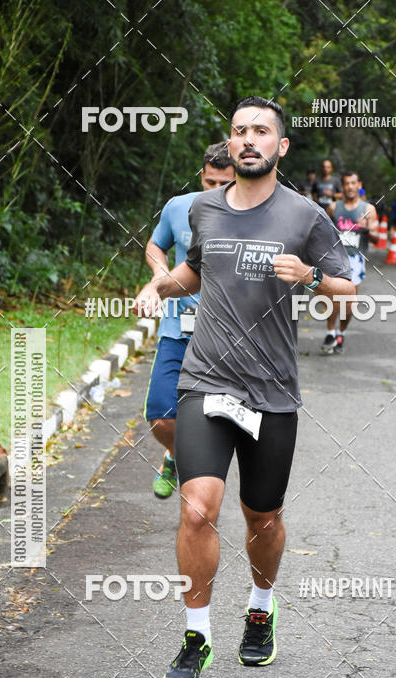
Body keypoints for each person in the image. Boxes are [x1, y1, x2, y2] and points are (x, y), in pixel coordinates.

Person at [133, 96, 354, 678]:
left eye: (261, 131)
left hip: (271, 389)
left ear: (282, 146)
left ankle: (261, 605)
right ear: (229, 146)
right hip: (206, 379)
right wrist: (160, 285)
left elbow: (347, 295)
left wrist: (310, 277)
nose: (248, 139)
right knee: (198, 506)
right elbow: (194, 273)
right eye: (239, 131)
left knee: (263, 515)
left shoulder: (306, 216)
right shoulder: (204, 209)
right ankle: (195, 635)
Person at [143, 143, 234, 498]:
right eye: (210, 182)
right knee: (162, 417)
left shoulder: (250, 215)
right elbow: (155, 246)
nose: (216, 191)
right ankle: (176, 456)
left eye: (224, 184)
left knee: (217, 422)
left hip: (227, 335)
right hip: (178, 326)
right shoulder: (178, 207)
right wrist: (158, 279)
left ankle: (201, 490)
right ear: (201, 177)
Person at [321, 170, 379, 353]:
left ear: (359, 185)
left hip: (355, 260)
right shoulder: (333, 208)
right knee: (333, 299)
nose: (350, 187)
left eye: (353, 183)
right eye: (346, 183)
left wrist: (367, 228)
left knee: (349, 304)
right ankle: (330, 333)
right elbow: (320, 231)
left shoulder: (368, 209)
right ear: (343, 186)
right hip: (335, 259)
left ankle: (341, 332)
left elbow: (377, 238)